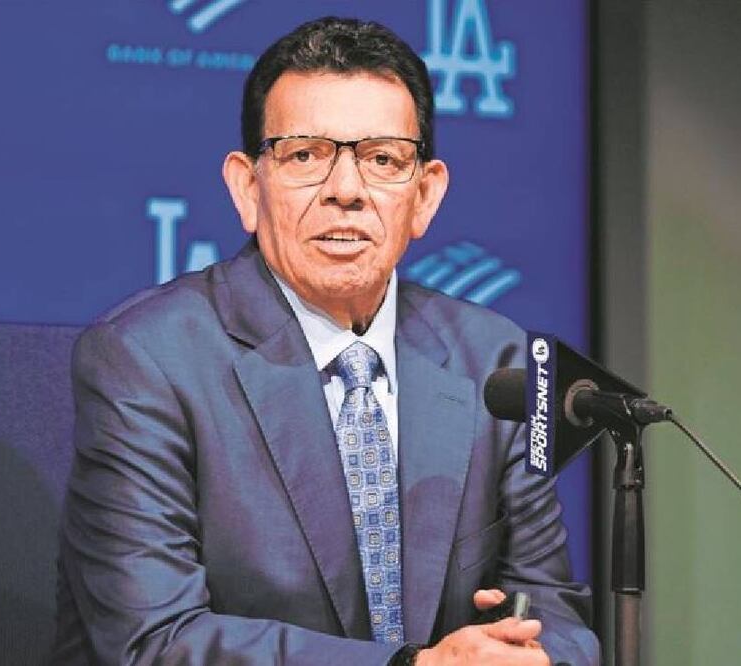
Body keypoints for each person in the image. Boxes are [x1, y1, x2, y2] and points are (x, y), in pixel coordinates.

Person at [53, 17, 599, 666]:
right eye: (304, 155)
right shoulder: (147, 360)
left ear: (424, 196)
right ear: (246, 187)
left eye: (382, 159)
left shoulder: (493, 360)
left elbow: (552, 609)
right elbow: (156, 643)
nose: (345, 190)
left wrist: (531, 656)